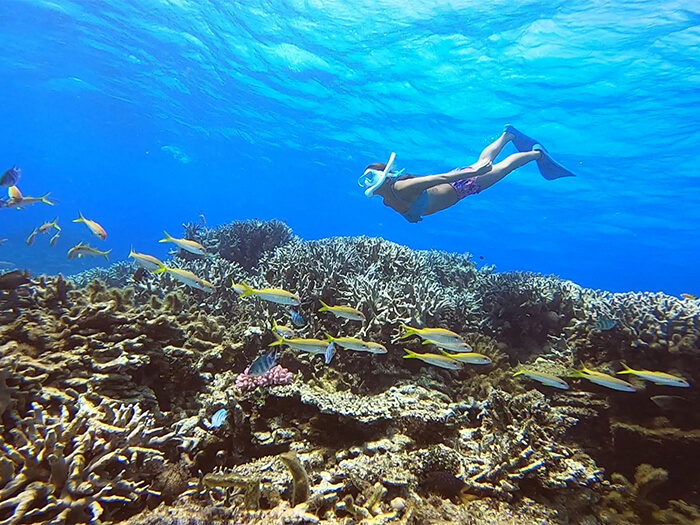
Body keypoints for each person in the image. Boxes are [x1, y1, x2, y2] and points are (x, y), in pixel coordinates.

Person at [358, 124, 576, 223]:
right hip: (460, 187)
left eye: (372, 177)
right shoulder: (388, 201)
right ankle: (508, 135)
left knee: (502, 167)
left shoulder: (401, 188)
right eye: (366, 181)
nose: (369, 184)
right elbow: (410, 211)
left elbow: (440, 178)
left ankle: (536, 154)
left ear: (386, 178)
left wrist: (473, 174)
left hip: (461, 185)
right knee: (484, 161)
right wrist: (412, 218)